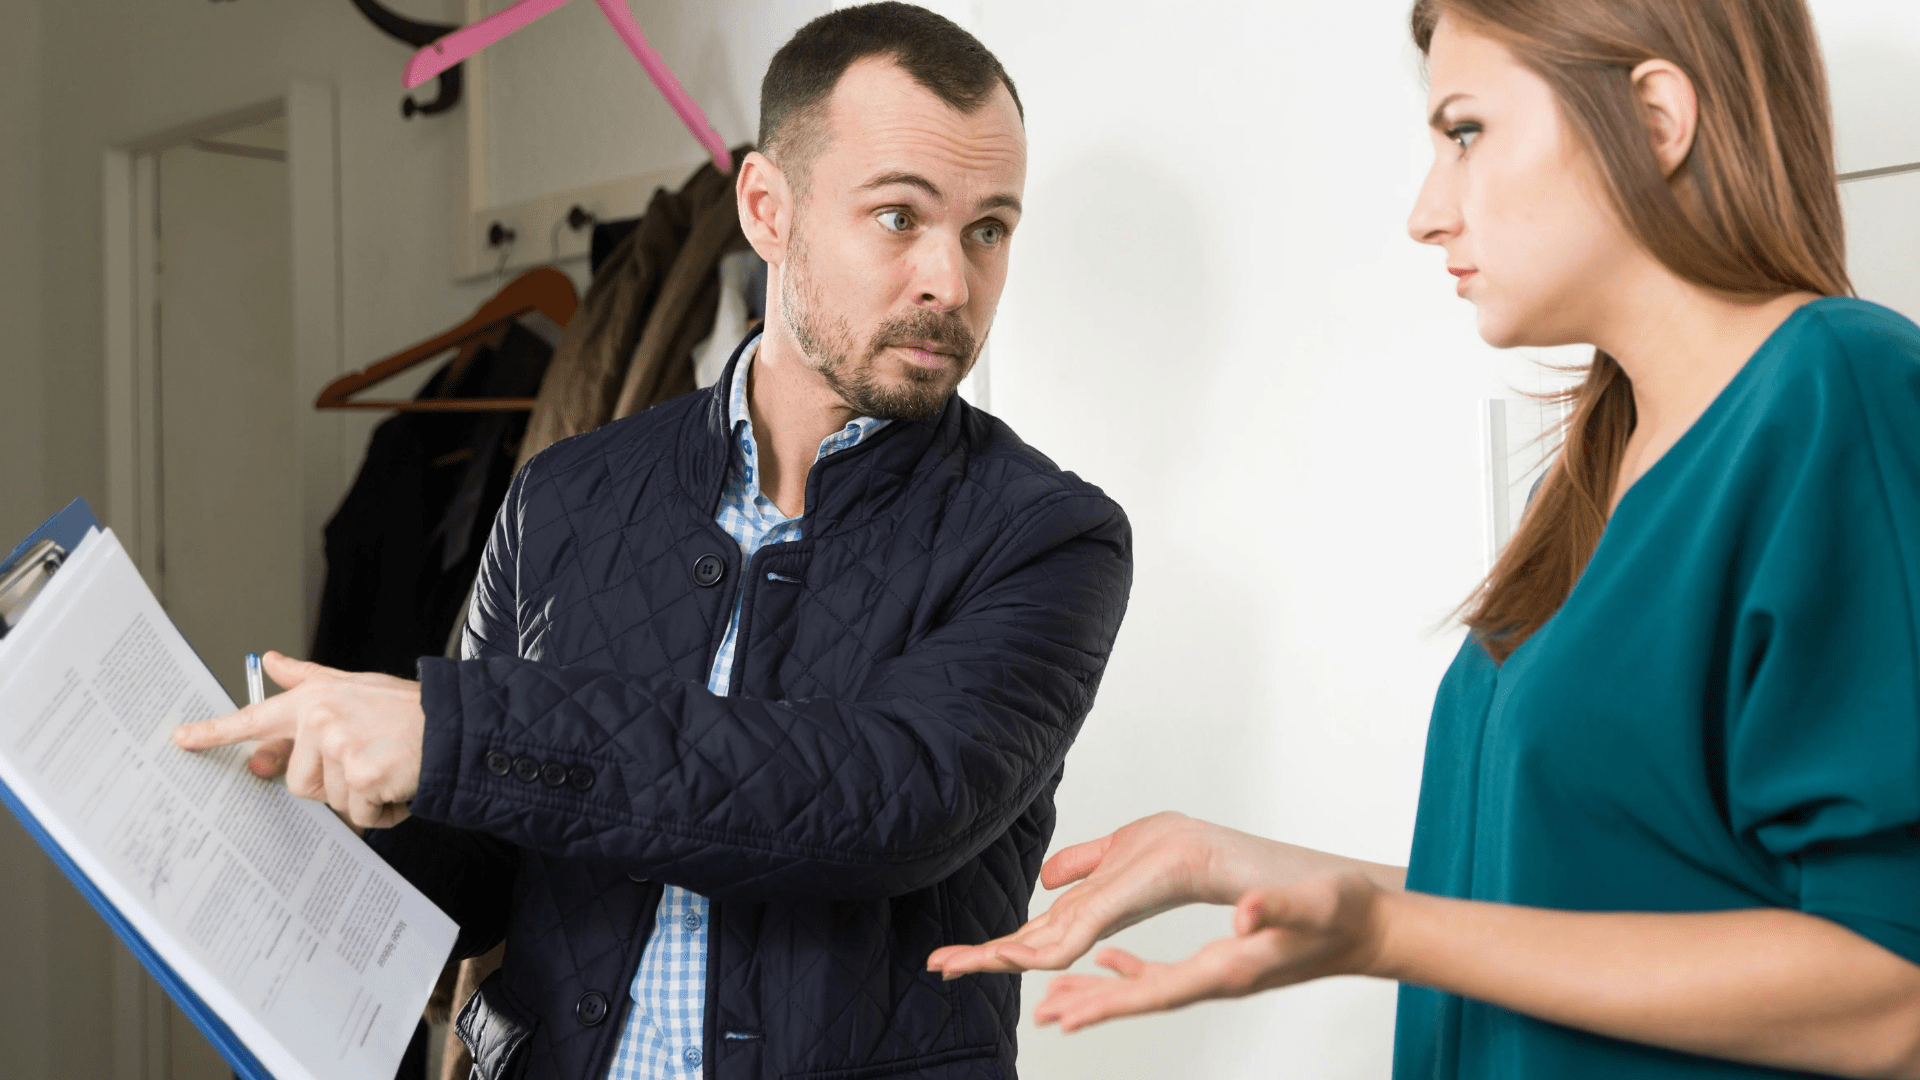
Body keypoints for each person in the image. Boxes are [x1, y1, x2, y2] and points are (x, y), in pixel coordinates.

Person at [928, 1, 1920, 1078]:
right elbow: (1570, 912)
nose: (1427, 211)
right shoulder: (1605, 460)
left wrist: (1389, 936)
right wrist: (1230, 862)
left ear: (1655, 117)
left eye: (1465, 132)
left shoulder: (1839, 394)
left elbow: (1892, 988)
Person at [173, 5, 1133, 1079]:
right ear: (768, 209)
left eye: (987, 229)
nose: (951, 282)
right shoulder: (565, 496)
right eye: (900, 217)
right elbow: (490, 863)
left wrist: (451, 733)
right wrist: (359, 806)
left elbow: (880, 803)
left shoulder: (1049, 537)